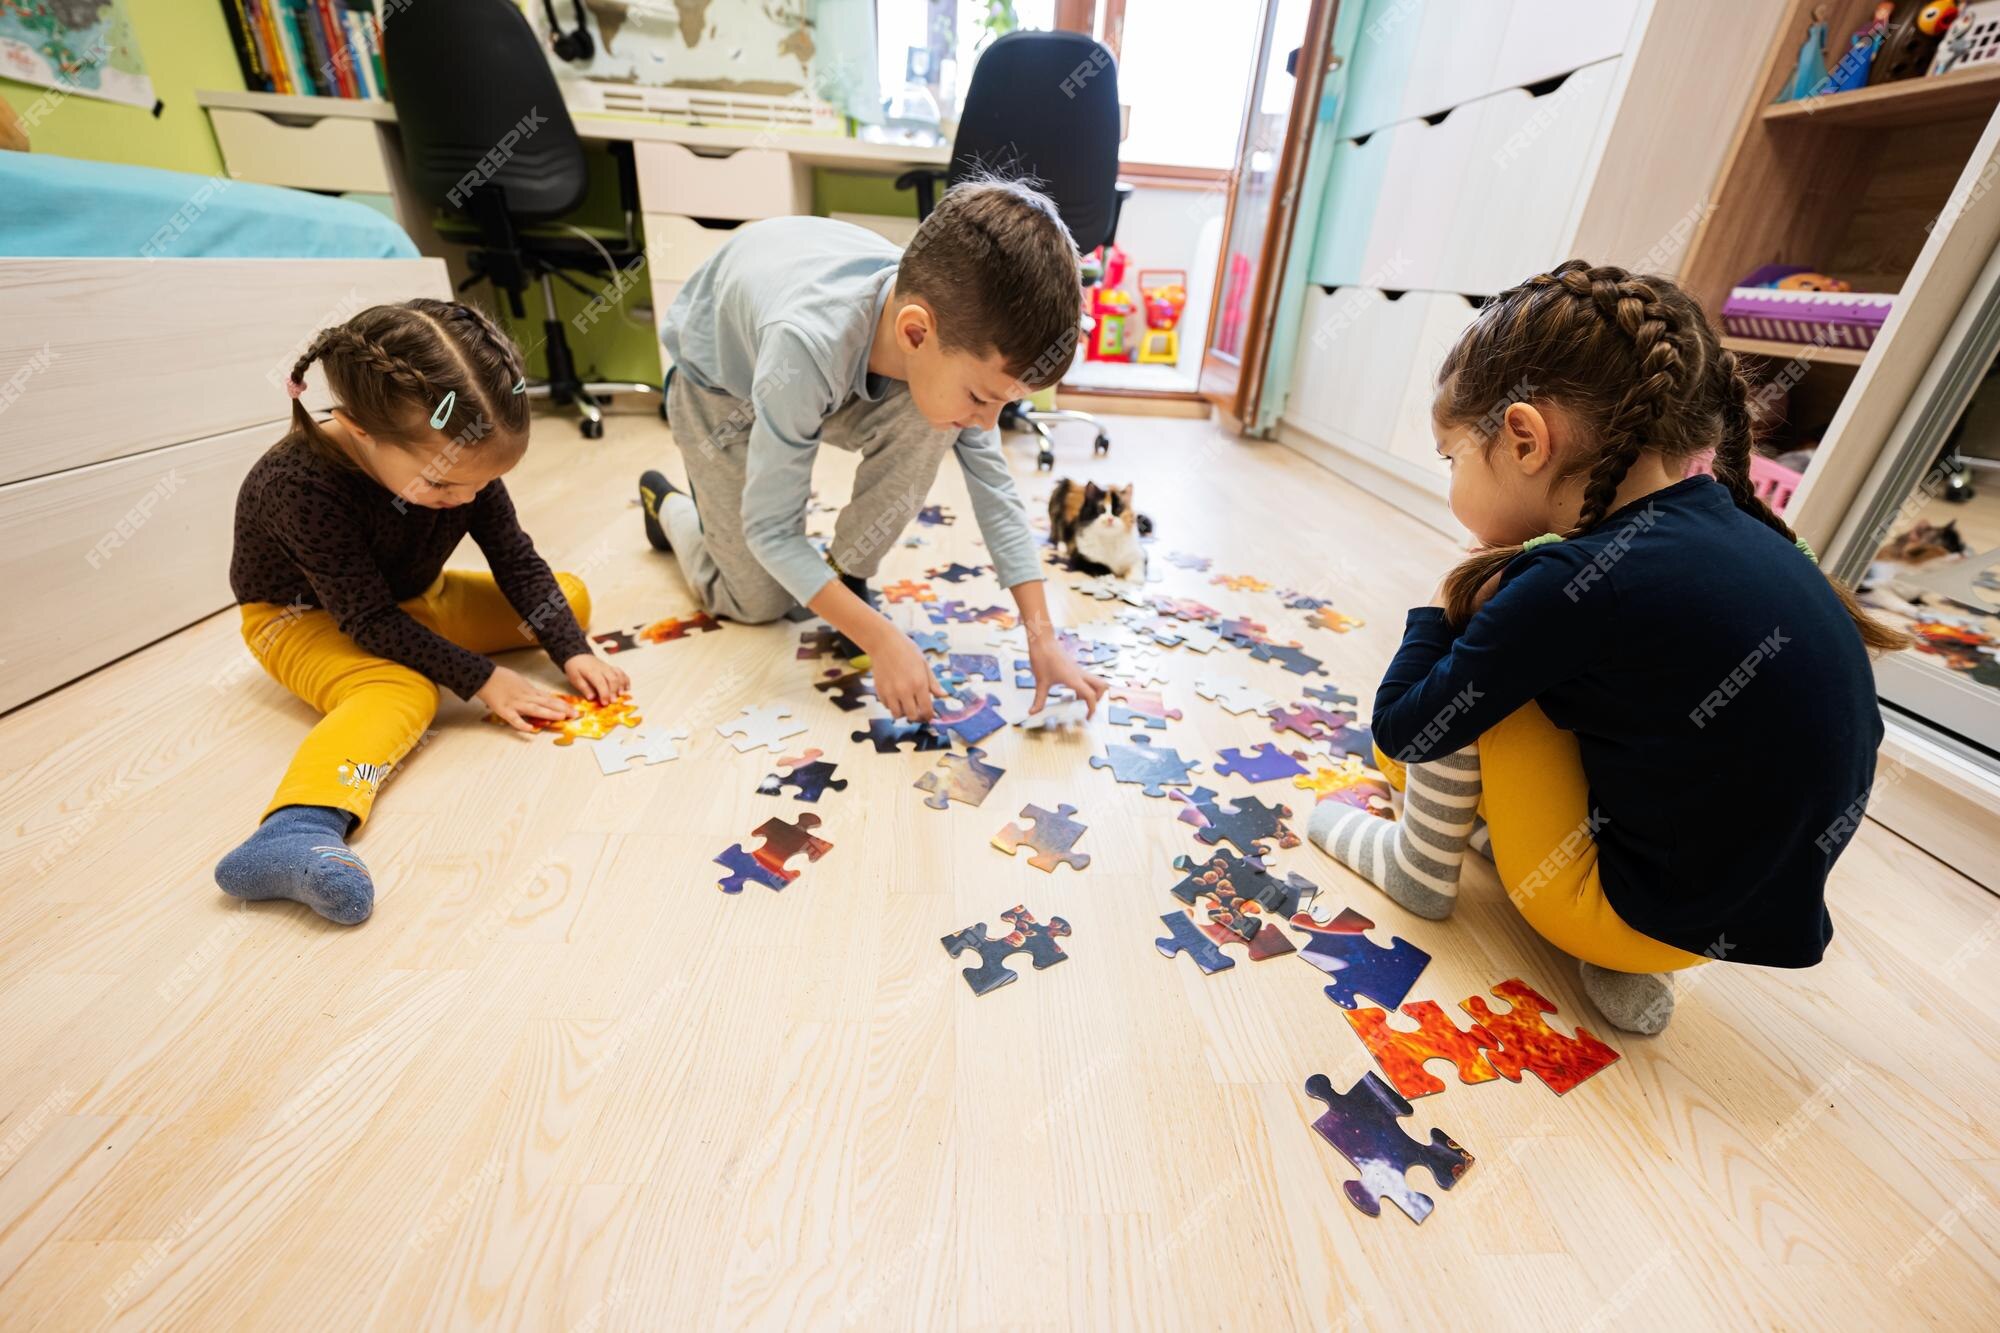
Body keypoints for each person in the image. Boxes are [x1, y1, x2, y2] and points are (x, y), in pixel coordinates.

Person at [1305, 261, 1907, 1033]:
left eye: (1451, 457)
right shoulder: (1748, 532)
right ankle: (1619, 954)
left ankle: (1416, 868)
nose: (1450, 479)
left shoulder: (1571, 581)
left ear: (1524, 439)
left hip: (1606, 906)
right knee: (1568, 680)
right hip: (1696, 931)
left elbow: (1405, 724)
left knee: (1476, 673)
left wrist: (1447, 596)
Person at [637, 179, 1106, 722]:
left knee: (940, 416)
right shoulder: (806, 342)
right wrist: (882, 640)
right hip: (722, 385)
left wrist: (1043, 638)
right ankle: (669, 507)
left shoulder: (947, 332)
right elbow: (771, 530)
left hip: (816, 345)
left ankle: (847, 573)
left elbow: (994, 487)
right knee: (757, 603)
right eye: (982, 396)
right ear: (913, 333)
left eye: (1002, 404)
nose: (987, 421)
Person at [218, 300, 624, 924]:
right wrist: (483, 678)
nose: (463, 499)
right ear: (359, 430)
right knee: (404, 693)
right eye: (441, 488)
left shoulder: (461, 461)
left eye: (479, 485)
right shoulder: (298, 484)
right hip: (303, 619)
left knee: (565, 598)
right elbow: (368, 623)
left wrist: (570, 649)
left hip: (411, 599)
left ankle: (481, 644)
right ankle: (296, 830)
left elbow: (514, 557)